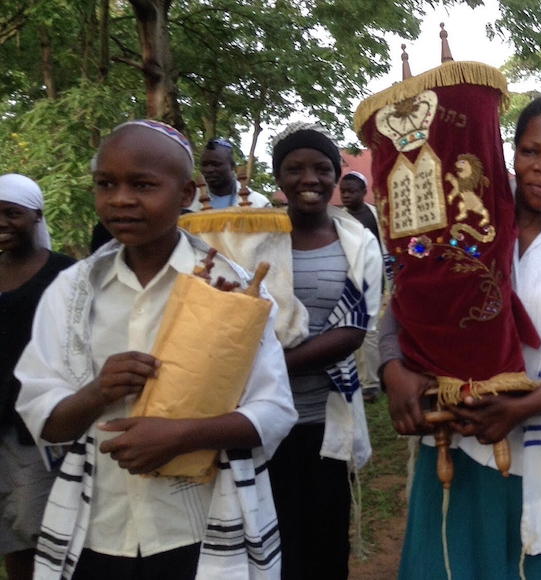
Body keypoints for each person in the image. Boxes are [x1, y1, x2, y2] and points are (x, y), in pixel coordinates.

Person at [14, 120, 296, 580]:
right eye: (106, 184)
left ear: (186, 194)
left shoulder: (232, 290)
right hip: (97, 530)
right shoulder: (71, 292)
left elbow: (274, 410)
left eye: (143, 185)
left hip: (198, 534)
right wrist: (96, 393)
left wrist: (182, 436)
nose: (121, 199)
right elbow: (42, 417)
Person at [382, 94, 541, 579]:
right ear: (511, 152)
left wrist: (523, 407)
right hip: (457, 430)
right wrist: (393, 368)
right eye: (531, 151)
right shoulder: (469, 215)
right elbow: (412, 295)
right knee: (452, 563)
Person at [267, 122, 382, 580]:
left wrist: (268, 365)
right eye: (295, 168)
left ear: (336, 176)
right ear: (279, 177)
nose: (309, 178)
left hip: (324, 418)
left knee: (326, 543)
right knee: (272, 541)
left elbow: (353, 330)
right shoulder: (254, 239)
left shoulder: (358, 243)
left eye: (321, 168)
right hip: (260, 418)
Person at [0, 174, 75, 580]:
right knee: (9, 537)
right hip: (0, 428)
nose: (3, 222)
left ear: (36, 216)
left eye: (12, 213)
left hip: (41, 431)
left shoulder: (65, 274)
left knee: (41, 531)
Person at [339, 171, 385, 402]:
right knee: (351, 327)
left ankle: (373, 382)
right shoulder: (339, 220)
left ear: (364, 193)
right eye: (343, 191)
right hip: (349, 281)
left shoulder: (377, 216)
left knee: (370, 328)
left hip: (376, 278)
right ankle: (359, 377)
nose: (346, 196)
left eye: (351, 191)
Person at [189, 138, 271, 210]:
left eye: (216, 164)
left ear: (232, 166)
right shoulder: (189, 202)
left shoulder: (259, 203)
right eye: (204, 165)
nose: (209, 170)